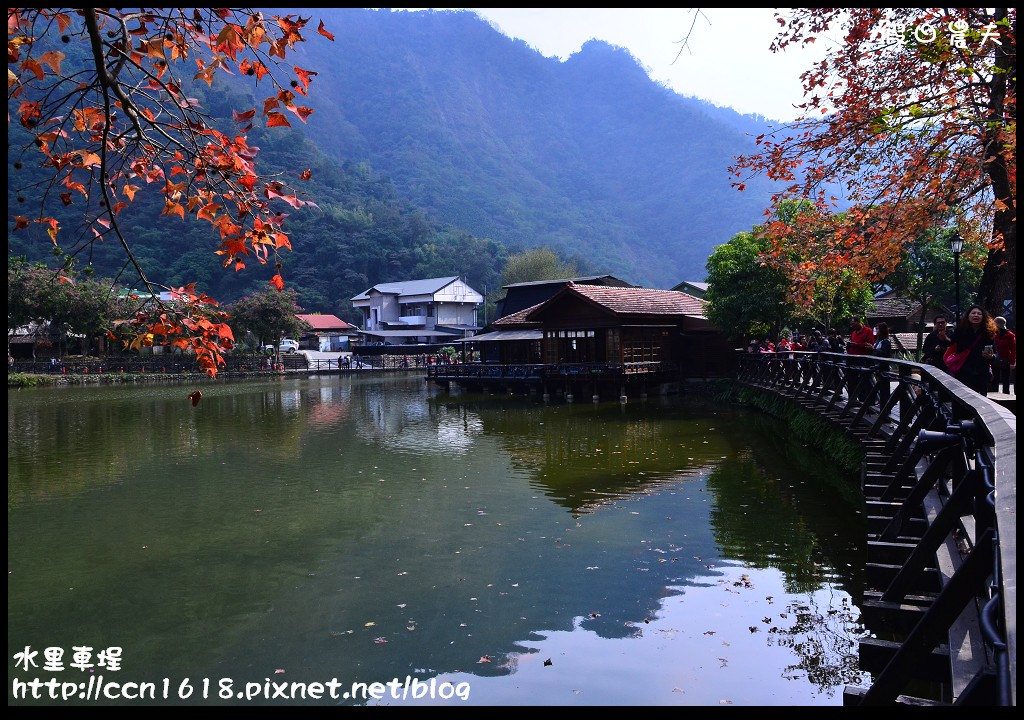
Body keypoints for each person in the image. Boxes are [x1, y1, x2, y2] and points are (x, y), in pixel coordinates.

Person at [946, 304, 997, 396]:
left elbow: (995, 353)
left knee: (981, 400)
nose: (976, 315)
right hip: (964, 371)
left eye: (979, 314)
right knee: (963, 398)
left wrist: (991, 356)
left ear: (983, 317)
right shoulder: (960, 330)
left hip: (981, 372)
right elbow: (949, 342)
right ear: (968, 316)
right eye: (973, 313)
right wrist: (943, 338)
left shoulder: (988, 333)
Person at [991, 315, 1016, 395]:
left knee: (1006, 379)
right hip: (995, 358)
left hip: (1006, 359)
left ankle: (1006, 396)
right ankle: (994, 395)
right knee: (995, 379)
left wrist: (1012, 362)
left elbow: (1013, 349)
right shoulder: (993, 334)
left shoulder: (1010, 335)